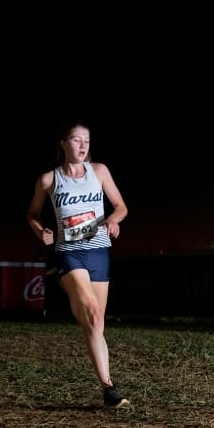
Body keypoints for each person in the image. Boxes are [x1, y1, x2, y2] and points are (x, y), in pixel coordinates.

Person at [26, 119, 130, 408]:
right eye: (76, 139)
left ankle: (107, 391)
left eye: (87, 141)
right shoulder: (49, 180)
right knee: (93, 313)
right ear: (63, 143)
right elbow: (32, 214)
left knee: (95, 324)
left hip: (99, 253)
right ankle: (110, 388)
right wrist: (41, 231)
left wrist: (112, 220)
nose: (83, 145)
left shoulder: (99, 172)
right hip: (69, 253)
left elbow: (121, 207)